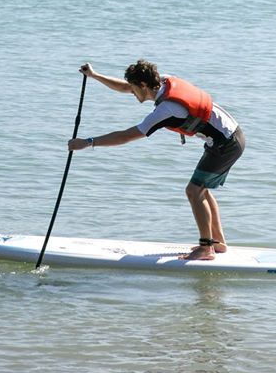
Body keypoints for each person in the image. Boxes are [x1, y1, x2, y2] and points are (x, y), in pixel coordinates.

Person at [68, 59, 245, 261]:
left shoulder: (167, 109)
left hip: (226, 143)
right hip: (230, 137)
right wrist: (95, 75)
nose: (132, 92)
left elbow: (126, 136)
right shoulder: (164, 81)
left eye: (134, 89)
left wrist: (88, 142)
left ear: (143, 85)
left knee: (193, 190)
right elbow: (125, 86)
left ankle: (206, 249)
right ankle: (217, 242)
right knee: (200, 189)